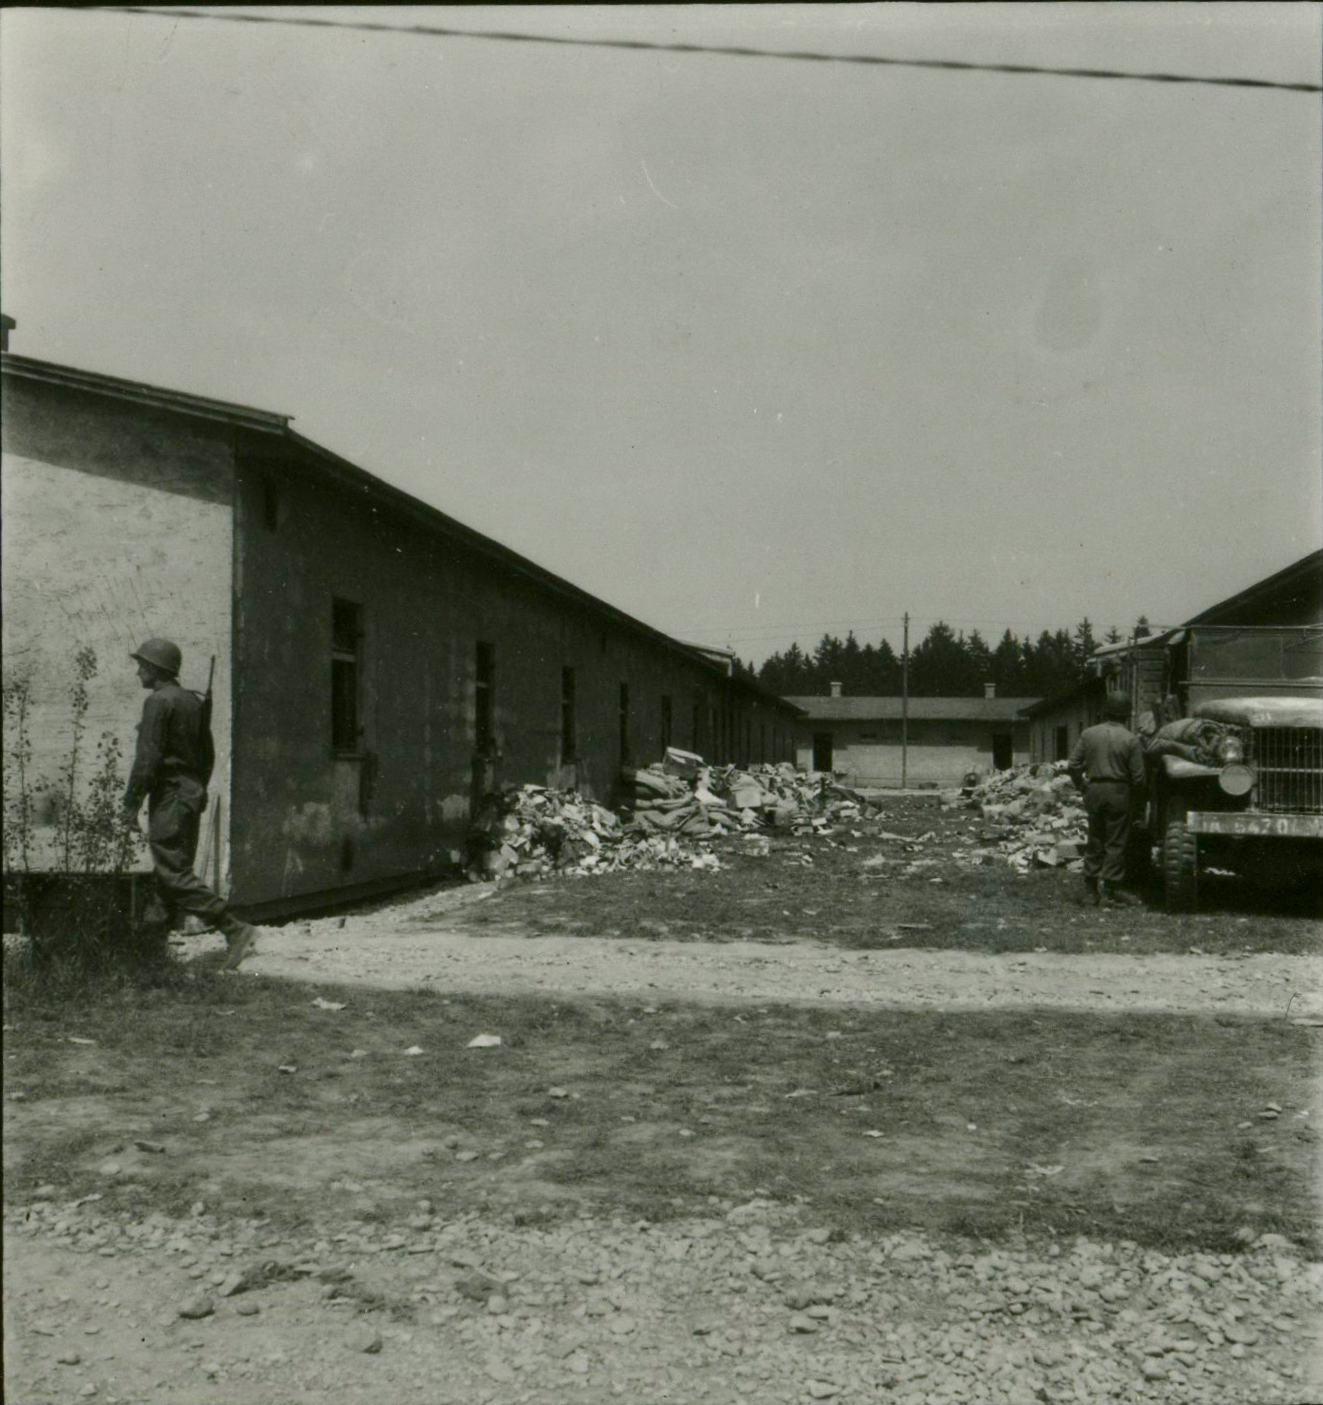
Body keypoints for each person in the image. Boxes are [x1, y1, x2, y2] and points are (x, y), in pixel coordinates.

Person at [121, 638, 259, 968]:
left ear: (155, 668)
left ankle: (234, 928)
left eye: (142, 666)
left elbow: (147, 760)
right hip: (188, 794)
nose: (138, 672)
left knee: (172, 873)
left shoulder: (158, 702)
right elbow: (207, 756)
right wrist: (195, 788)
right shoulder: (192, 702)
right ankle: (149, 953)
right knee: (168, 873)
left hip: (170, 796)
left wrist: (131, 803)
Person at [1068, 693, 1147, 907]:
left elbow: (1073, 764)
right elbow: (1139, 778)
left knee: (1094, 839)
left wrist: (1082, 785)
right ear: (1126, 714)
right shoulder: (1130, 739)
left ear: (1105, 711)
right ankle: (1109, 893)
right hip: (1119, 792)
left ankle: (1090, 892)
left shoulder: (1089, 734)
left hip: (1094, 789)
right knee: (1116, 843)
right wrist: (1137, 801)